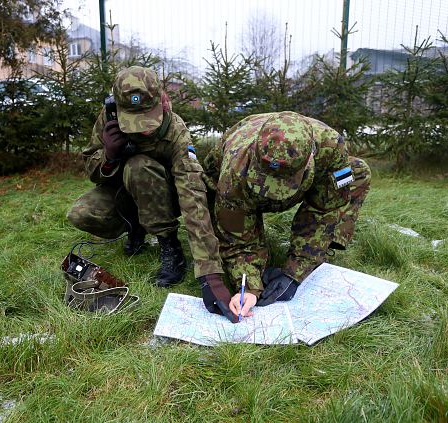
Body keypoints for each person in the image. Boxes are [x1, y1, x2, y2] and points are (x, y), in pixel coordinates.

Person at [67, 66, 238, 321]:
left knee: (140, 166)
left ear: (162, 100)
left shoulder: (175, 130)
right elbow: (92, 171)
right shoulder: (107, 119)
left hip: (164, 195)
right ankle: (135, 226)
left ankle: (169, 244)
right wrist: (108, 156)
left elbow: (191, 192)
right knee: (81, 213)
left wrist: (209, 274)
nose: (144, 129)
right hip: (124, 192)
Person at [202, 111, 371, 319]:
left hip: (321, 168)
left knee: (358, 173)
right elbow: (236, 238)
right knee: (220, 221)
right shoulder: (233, 172)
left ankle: (325, 249)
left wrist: (295, 273)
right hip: (228, 181)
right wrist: (250, 287)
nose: (276, 195)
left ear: (310, 158)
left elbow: (323, 211)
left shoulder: (332, 148)